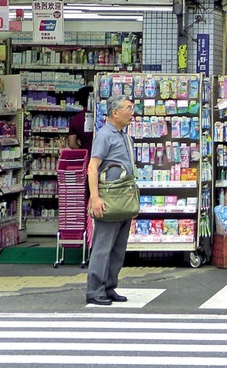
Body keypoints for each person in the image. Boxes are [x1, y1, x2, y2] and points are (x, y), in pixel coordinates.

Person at [85, 96, 136, 306]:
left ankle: (109, 286)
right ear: (115, 113)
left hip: (123, 197)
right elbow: (92, 167)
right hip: (109, 198)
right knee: (103, 245)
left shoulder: (123, 135)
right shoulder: (105, 135)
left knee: (118, 247)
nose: (132, 112)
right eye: (128, 108)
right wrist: (95, 198)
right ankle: (94, 290)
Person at [67, 84, 95, 152]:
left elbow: (72, 144)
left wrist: (84, 150)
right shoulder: (102, 116)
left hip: (87, 157)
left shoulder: (75, 120)